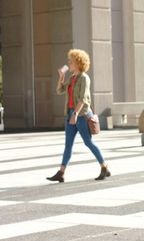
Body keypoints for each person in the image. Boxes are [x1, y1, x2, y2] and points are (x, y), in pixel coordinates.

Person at [47, 49, 110, 183]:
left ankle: (104, 166)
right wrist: (61, 78)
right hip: (70, 114)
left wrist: (75, 114)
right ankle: (61, 172)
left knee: (88, 142)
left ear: (78, 63)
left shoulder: (84, 78)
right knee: (68, 145)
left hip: (81, 115)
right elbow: (59, 90)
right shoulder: (72, 78)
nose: (68, 63)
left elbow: (83, 99)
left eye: (71, 61)